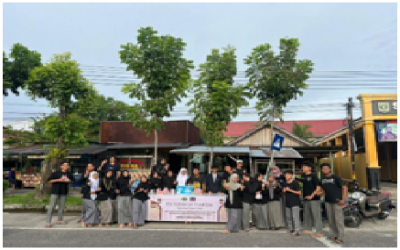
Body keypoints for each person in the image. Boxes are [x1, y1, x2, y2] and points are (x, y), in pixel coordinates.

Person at [319, 163, 347, 245]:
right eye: (323, 169)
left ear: (330, 169)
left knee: (338, 219)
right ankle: (333, 235)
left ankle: (340, 237)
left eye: (326, 168)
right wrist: (320, 193)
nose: (324, 170)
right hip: (328, 201)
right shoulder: (323, 179)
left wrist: (343, 199)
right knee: (331, 219)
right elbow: (324, 189)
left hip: (337, 201)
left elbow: (344, 188)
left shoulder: (336, 178)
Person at [45, 162, 75, 228]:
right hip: (55, 191)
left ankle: (60, 219)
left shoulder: (69, 174)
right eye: (64, 165)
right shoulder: (56, 173)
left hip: (64, 192)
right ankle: (48, 222)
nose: (66, 166)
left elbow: (72, 181)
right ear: (61, 166)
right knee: (52, 206)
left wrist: (67, 181)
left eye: (67, 165)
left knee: (62, 207)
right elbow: (49, 181)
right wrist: (59, 180)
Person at [298, 161, 323, 238]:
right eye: (302, 167)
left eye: (305, 167)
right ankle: (308, 229)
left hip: (314, 199)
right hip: (305, 198)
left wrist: (312, 196)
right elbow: (301, 181)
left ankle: (319, 231)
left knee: (316, 215)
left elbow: (318, 187)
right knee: (307, 214)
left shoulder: (313, 176)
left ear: (309, 168)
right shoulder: (303, 175)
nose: (303, 168)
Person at [283, 170, 302, 236]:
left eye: (288, 174)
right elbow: (283, 191)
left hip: (295, 202)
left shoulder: (295, 183)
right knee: (289, 217)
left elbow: (299, 193)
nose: (286, 176)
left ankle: (297, 231)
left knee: (295, 217)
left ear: (291, 175)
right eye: (286, 174)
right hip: (287, 202)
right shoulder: (285, 183)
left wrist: (290, 190)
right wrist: (284, 190)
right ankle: (290, 229)